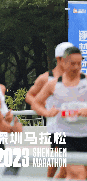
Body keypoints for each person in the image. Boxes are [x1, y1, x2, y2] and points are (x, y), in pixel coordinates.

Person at [32, 45, 87, 180]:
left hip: (85, 134)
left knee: (77, 174)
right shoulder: (53, 83)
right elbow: (35, 102)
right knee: (78, 174)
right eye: (72, 63)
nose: (76, 67)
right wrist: (47, 112)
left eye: (79, 63)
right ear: (63, 62)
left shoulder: (86, 81)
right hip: (65, 136)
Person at [26, 42, 69, 179]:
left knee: (67, 166)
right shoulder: (46, 78)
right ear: (59, 59)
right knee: (62, 164)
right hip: (56, 126)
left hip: (76, 126)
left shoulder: (79, 78)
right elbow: (29, 96)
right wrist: (43, 108)